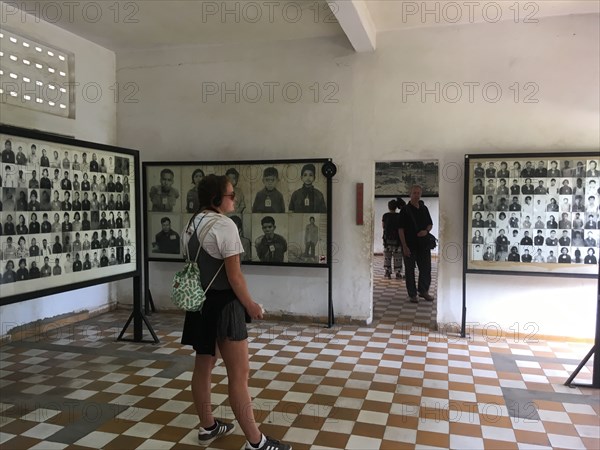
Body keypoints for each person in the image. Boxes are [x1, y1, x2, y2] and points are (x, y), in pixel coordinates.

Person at [179, 174, 291, 450]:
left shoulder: (191, 224)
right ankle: (256, 442)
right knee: (239, 375)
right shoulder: (224, 226)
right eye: (231, 195)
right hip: (225, 305)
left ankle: (208, 426)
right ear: (217, 199)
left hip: (199, 303)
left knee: (203, 366)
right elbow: (235, 276)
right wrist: (251, 305)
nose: (235, 199)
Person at [399, 185, 434, 303]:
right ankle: (412, 294)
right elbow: (400, 229)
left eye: (418, 193)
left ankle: (423, 291)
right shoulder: (405, 210)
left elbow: (430, 224)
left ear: (421, 194)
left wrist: (426, 231)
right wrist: (404, 246)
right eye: (414, 193)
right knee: (410, 271)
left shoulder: (424, 209)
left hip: (423, 245)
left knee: (426, 269)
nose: (416, 195)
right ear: (410, 194)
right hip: (409, 245)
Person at [382, 200, 402, 279]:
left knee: (387, 256)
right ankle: (397, 273)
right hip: (397, 240)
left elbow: (383, 226)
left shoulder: (385, 215)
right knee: (398, 257)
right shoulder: (399, 215)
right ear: (396, 207)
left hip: (387, 240)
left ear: (388, 207)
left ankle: (387, 272)